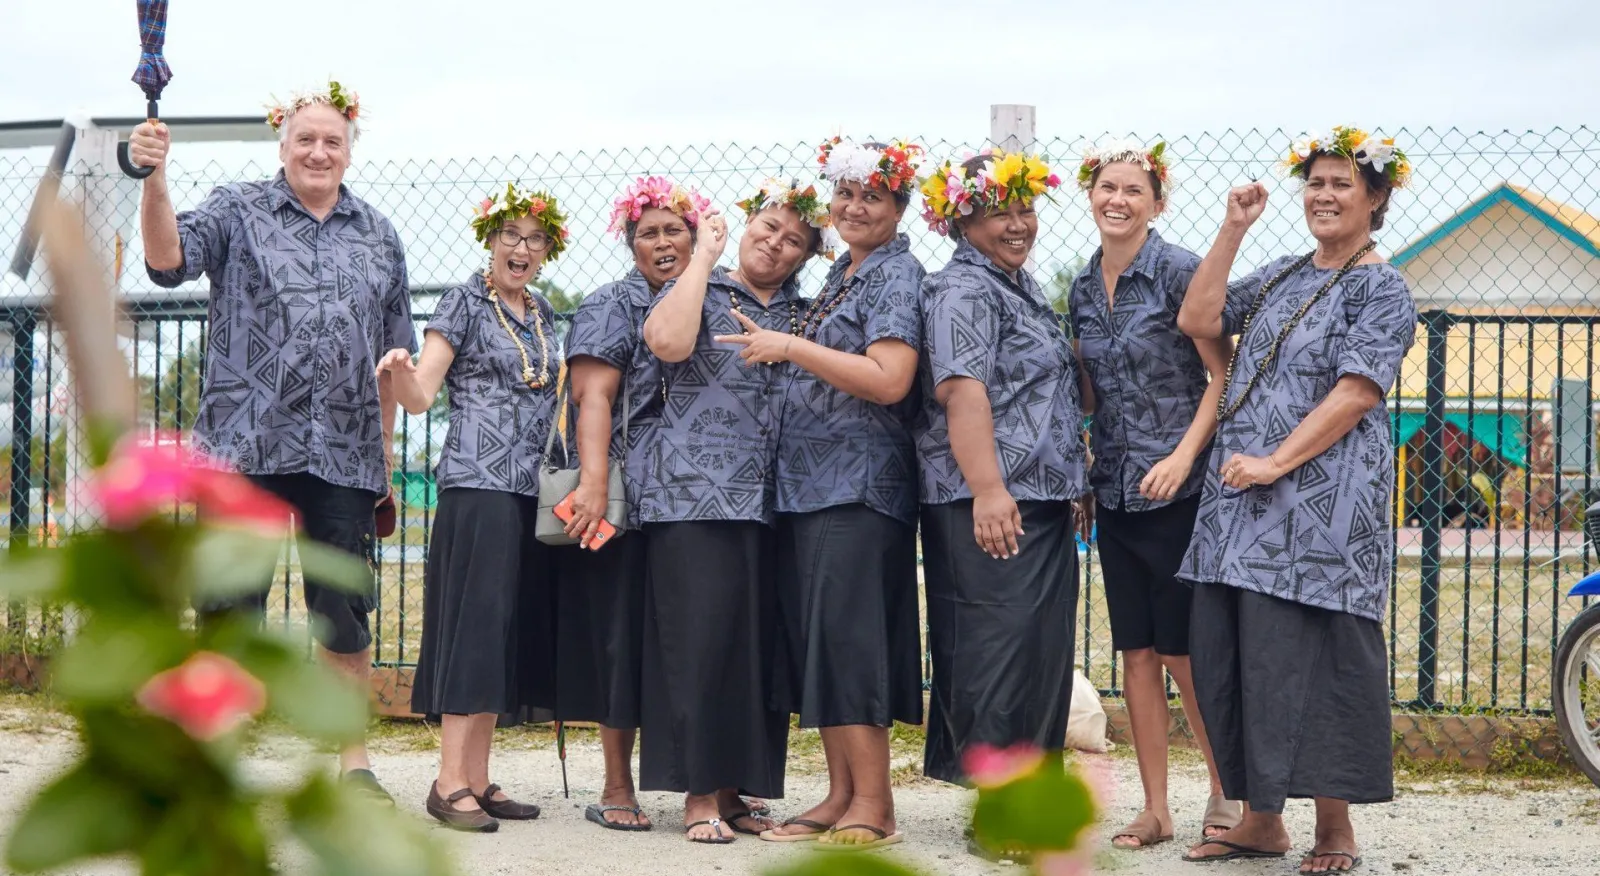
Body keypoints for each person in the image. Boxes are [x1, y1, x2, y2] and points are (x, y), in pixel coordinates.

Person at [135, 80, 410, 802]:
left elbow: (393, 359)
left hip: (345, 455)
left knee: (344, 616)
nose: (319, 151)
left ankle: (353, 765)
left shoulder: (380, 235)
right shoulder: (236, 209)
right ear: (282, 145)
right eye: (305, 139)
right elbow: (166, 262)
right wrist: (153, 176)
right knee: (228, 612)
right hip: (242, 449)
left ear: (350, 152)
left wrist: (383, 461)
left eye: (333, 141)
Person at [1175, 127, 1418, 874]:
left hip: (1322, 510)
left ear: (1375, 198)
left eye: (1343, 183)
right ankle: (1261, 821)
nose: (1324, 195)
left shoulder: (1383, 286)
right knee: (1242, 652)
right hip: (1242, 502)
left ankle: (1334, 829)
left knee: (1314, 654)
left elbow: (1355, 392)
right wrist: (1232, 229)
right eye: (1315, 182)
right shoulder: (1283, 272)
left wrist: (1277, 461)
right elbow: (1199, 321)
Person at [741, 139, 927, 851]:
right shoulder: (844, 275)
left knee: (849, 645)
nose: (854, 207)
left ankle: (873, 805)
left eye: (871, 197)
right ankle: (840, 791)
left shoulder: (895, 276)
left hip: (857, 486)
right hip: (811, 489)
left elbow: (888, 377)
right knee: (822, 641)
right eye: (845, 194)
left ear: (899, 206)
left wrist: (790, 348)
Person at [637, 179, 830, 844]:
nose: (774, 243)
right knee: (699, 644)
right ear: (746, 225)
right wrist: (702, 256)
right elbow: (664, 342)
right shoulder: (702, 285)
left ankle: (736, 788)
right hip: (692, 495)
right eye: (768, 227)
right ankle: (698, 796)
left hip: (774, 501)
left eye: (793, 240)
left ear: (805, 256)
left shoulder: (807, 313)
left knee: (753, 651)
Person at [375, 184, 567, 831]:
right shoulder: (463, 301)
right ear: (489, 241)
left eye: (534, 239)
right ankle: (447, 781)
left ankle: (480, 780)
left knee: (505, 631)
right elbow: (423, 392)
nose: (521, 248)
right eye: (509, 235)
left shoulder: (541, 311)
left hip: (528, 492)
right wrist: (399, 371)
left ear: (547, 250)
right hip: (477, 487)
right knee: (476, 630)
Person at [1067, 140, 1241, 848]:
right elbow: (1087, 392)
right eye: (1108, 187)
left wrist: (1181, 456)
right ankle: (1157, 807)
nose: (1118, 200)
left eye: (1134, 190)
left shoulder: (1177, 272)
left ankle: (1229, 793)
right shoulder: (1081, 286)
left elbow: (1222, 378)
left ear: (1157, 203)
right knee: (1135, 653)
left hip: (1179, 490)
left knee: (1184, 652)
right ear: (1092, 195)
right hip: (1115, 490)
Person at [913, 151, 1087, 856]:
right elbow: (963, 390)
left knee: (1040, 653)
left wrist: (1073, 479)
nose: (1018, 224)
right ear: (962, 219)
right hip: (986, 498)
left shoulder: (1020, 285)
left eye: (1025, 208)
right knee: (997, 652)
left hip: (1039, 500)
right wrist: (988, 487)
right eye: (998, 212)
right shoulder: (963, 291)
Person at [554, 176, 711, 832]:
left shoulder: (713, 293)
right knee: (619, 637)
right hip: (623, 495)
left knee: (691, 641)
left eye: (675, 228)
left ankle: (708, 782)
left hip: (697, 500)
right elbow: (594, 395)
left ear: (696, 235)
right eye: (648, 232)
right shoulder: (610, 303)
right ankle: (618, 785)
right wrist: (591, 484)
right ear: (631, 244)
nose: (663, 241)